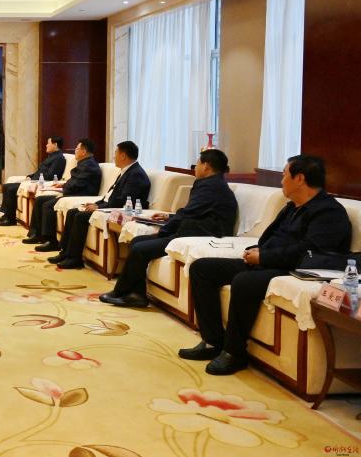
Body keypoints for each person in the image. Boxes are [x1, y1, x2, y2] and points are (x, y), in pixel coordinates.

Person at [180, 155, 352, 375]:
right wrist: (257, 251)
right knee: (202, 268)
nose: (281, 180)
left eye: (284, 175)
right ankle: (213, 341)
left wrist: (264, 257)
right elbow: (271, 238)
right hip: (269, 261)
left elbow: (309, 252)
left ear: (300, 178)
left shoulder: (328, 212)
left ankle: (234, 352)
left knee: (244, 281)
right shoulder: (292, 207)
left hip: (292, 269)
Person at [101, 148, 238, 308]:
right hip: (192, 230)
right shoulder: (212, 184)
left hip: (199, 235)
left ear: (206, 166)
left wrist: (164, 230)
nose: (195, 167)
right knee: (137, 241)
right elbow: (193, 212)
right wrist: (169, 217)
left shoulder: (212, 187)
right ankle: (136, 294)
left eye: (198, 163)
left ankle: (122, 292)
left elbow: (189, 213)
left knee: (139, 248)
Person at [48, 141, 151, 269]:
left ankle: (74, 258)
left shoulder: (136, 174)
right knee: (72, 212)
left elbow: (124, 200)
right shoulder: (127, 170)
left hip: (121, 209)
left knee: (80, 216)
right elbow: (111, 195)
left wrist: (99, 207)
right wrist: (97, 203)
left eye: (115, 153)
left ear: (123, 156)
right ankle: (65, 253)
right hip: (109, 205)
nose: (113, 156)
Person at [23, 139, 101, 250]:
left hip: (80, 195)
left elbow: (77, 185)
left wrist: (64, 188)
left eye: (77, 148)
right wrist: (63, 185)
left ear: (84, 152)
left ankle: (51, 241)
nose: (75, 151)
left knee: (48, 205)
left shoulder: (89, 166)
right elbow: (75, 182)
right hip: (73, 193)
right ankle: (37, 234)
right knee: (40, 199)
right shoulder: (85, 163)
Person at [0, 136, 67, 226]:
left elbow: (50, 175)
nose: (46, 145)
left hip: (41, 183)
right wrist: (30, 176)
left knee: (11, 189)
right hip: (34, 180)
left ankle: (11, 219)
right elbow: (40, 171)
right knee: (6, 186)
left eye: (48, 143)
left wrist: (34, 179)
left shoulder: (59, 158)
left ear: (55, 145)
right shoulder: (51, 157)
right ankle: (6, 215)